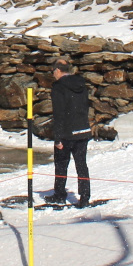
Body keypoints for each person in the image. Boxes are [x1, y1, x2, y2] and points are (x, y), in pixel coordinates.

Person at [45, 59, 91, 207]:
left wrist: (57, 138)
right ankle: (84, 197)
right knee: (81, 165)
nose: (53, 75)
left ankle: (59, 195)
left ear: (58, 71)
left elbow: (59, 113)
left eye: (53, 72)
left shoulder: (58, 87)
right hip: (83, 129)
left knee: (61, 164)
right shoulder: (81, 84)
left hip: (67, 133)